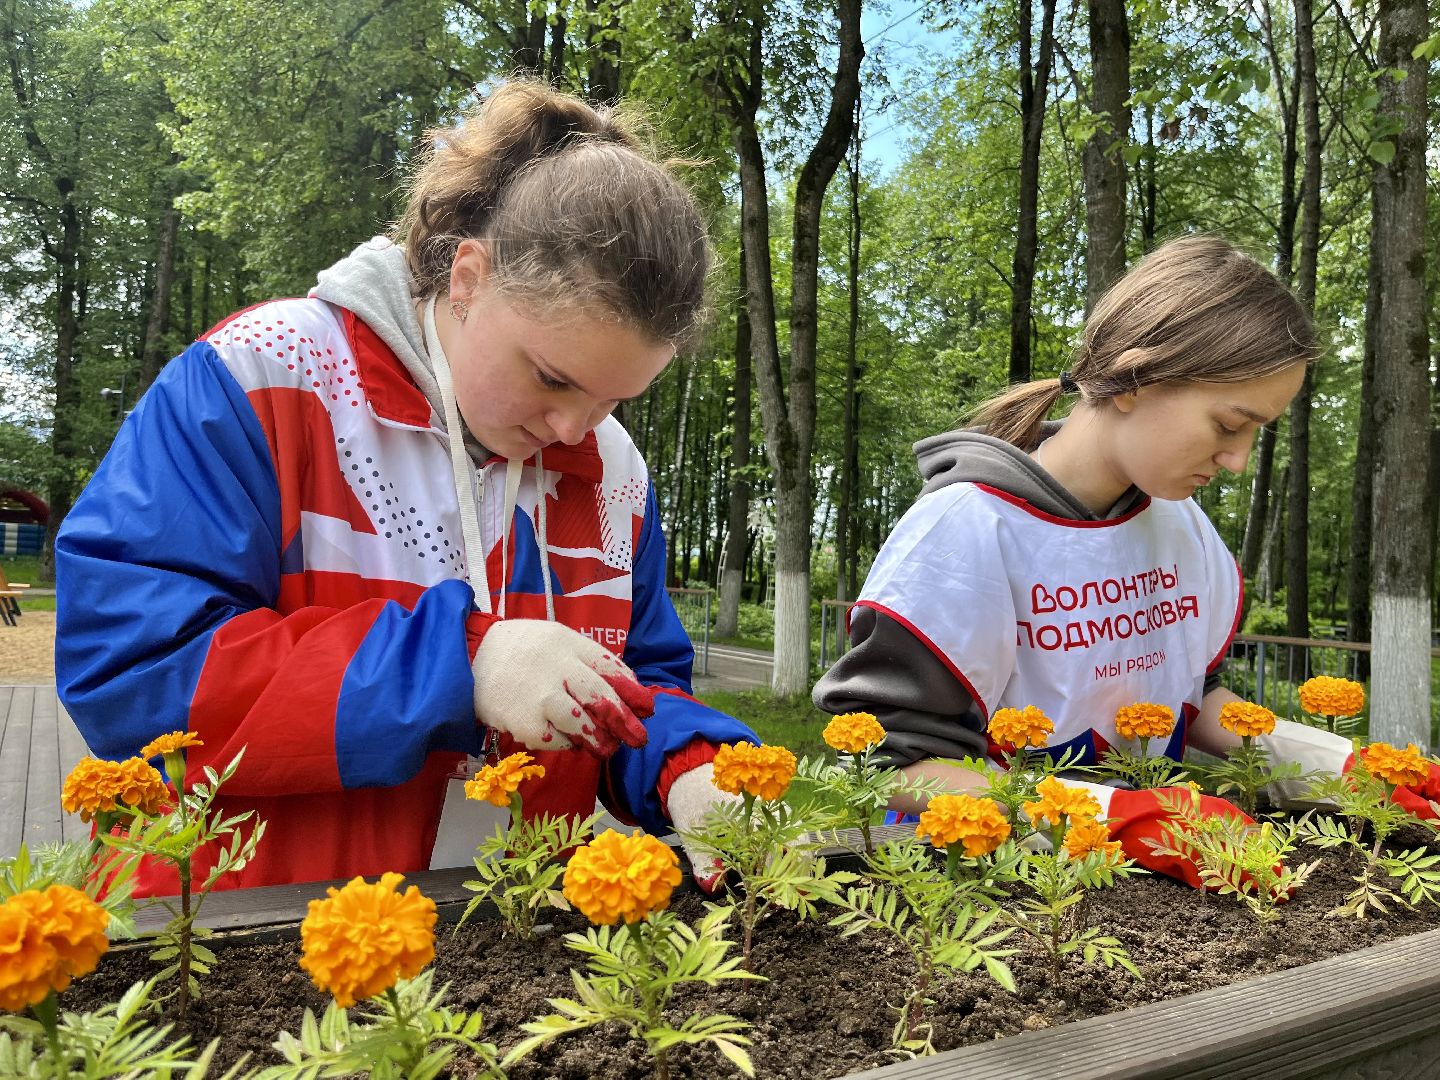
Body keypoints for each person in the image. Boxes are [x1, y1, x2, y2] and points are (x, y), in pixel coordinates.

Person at [55, 81, 753, 895]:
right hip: (240, 941)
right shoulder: (268, 379)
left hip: (509, 958)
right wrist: (458, 664)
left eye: (611, 399)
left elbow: (636, 685)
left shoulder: (615, 474)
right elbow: (136, 669)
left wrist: (686, 763)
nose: (574, 430)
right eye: (553, 378)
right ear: (467, 277)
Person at [813, 235, 1438, 886]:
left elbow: (1192, 697)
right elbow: (894, 770)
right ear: (1136, 380)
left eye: (1258, 432)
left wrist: (1342, 766)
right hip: (991, 901)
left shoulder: (1179, 526)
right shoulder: (965, 534)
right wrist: (1122, 816)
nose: (1238, 460)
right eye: (1229, 424)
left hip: (1147, 896)